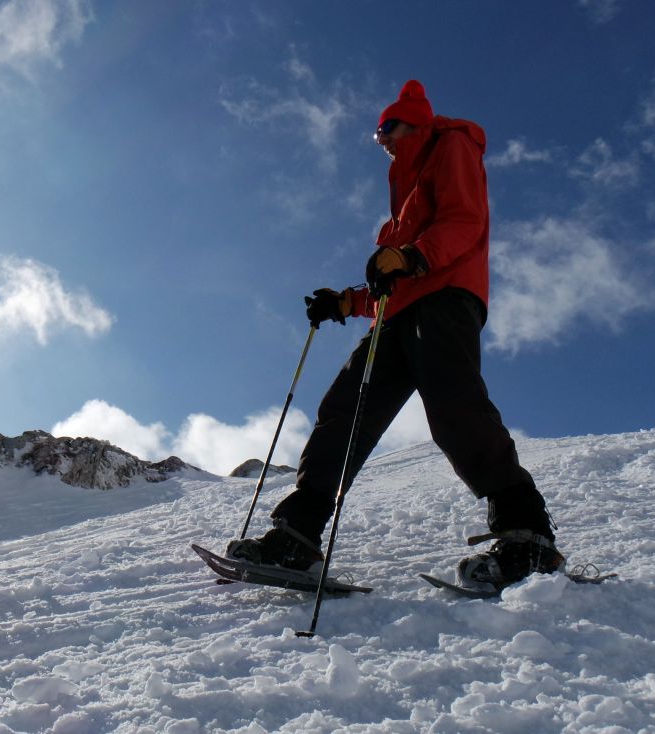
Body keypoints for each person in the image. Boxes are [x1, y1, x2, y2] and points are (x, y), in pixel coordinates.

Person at [227, 80, 563, 590]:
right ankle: (296, 535)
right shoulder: (400, 203)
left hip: (448, 296)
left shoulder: (452, 144)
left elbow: (463, 222)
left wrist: (411, 256)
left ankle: (529, 537)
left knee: (455, 408)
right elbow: (393, 281)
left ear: (413, 120)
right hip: (399, 314)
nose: (381, 137)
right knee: (343, 410)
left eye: (388, 127)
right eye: (377, 131)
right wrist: (345, 302)